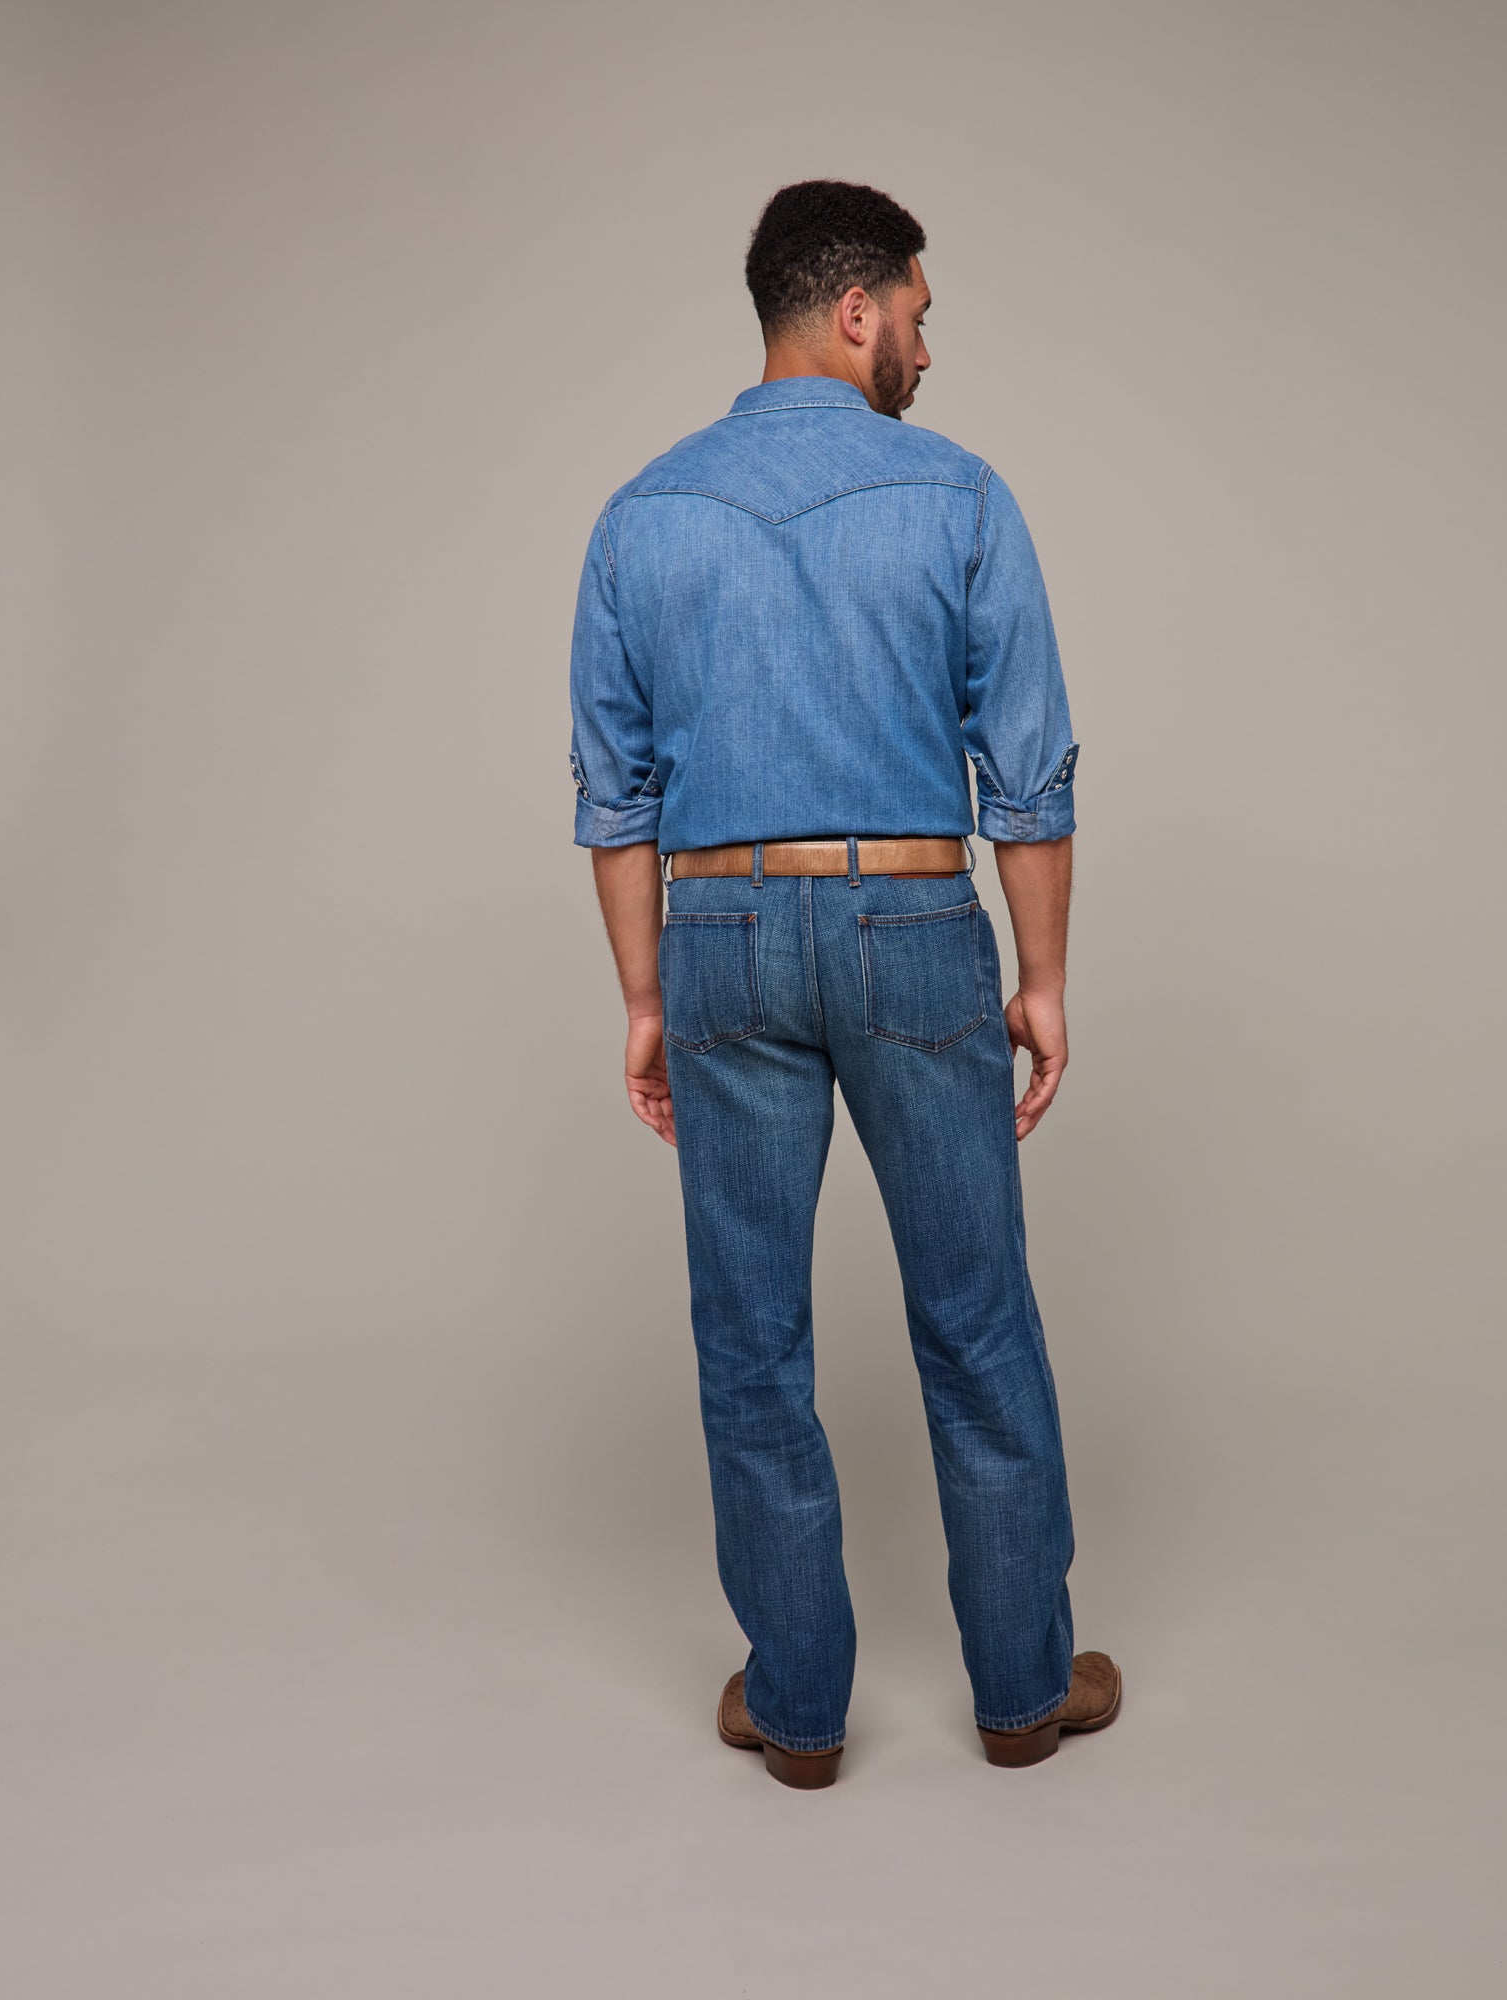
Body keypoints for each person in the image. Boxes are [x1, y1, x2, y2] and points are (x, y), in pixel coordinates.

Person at [568, 180, 1120, 1789]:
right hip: (911, 926)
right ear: (854, 309)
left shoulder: (643, 514)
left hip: (720, 933)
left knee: (750, 1338)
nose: (928, 350)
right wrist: (1044, 979)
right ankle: (1021, 1694)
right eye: (919, 318)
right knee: (976, 1315)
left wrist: (646, 997)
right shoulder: (959, 497)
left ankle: (799, 1713)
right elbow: (1028, 775)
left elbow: (617, 798)